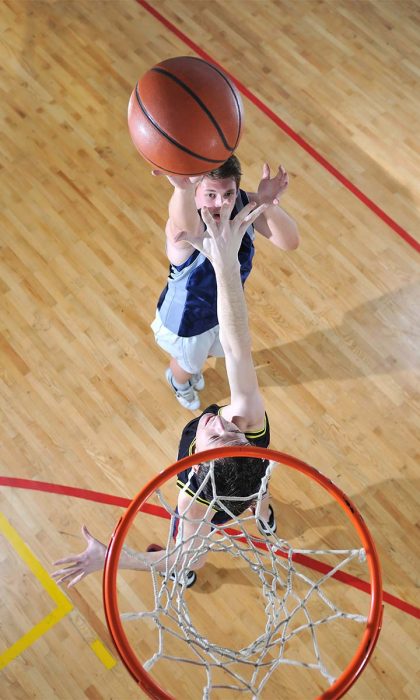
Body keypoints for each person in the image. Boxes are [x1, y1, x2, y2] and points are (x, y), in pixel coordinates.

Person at [53, 199, 276, 590]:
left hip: (227, 493)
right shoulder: (246, 423)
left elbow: (180, 557)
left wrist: (111, 557)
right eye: (232, 434)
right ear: (244, 440)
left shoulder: (194, 497)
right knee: (261, 481)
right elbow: (236, 341)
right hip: (247, 475)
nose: (218, 423)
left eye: (215, 437)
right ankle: (264, 513)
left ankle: (260, 511)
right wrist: (225, 265)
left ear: (201, 459)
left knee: (190, 557)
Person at [151, 155, 299, 410]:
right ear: (195, 192)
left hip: (225, 312)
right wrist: (181, 190)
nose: (221, 203)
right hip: (188, 322)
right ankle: (177, 381)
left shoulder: (241, 206)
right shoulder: (186, 231)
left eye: (228, 193)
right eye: (210, 194)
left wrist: (267, 204)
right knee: (187, 364)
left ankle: (188, 372)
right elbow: (183, 221)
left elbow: (290, 242)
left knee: (211, 352)